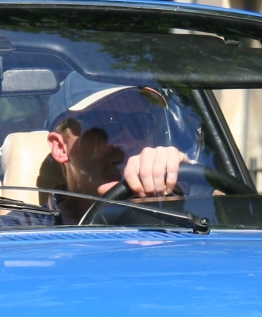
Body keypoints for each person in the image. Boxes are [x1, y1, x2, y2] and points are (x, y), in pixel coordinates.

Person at [38, 74, 192, 223]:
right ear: (60, 147)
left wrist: (185, 187)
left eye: (140, 124)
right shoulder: (24, 232)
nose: (127, 142)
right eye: (105, 124)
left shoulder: (179, 217)